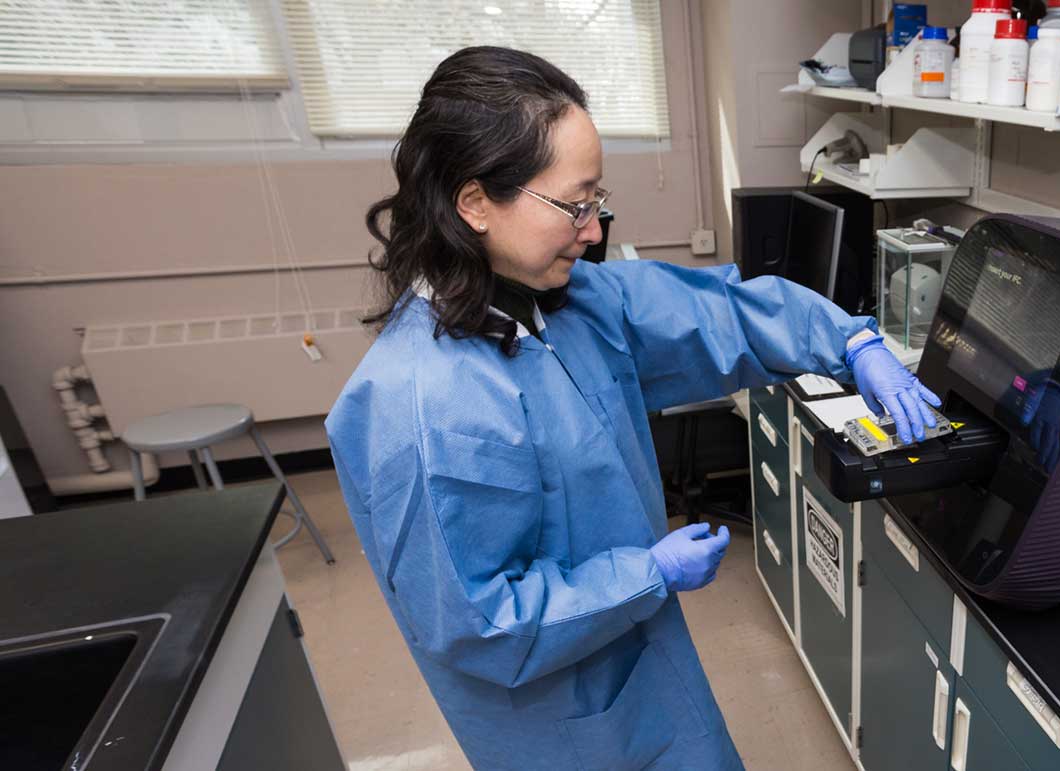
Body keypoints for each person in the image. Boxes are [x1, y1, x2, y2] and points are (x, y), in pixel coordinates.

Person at [325, 47, 940, 770]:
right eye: (574, 204)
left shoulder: (564, 300)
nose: (593, 230)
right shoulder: (419, 404)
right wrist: (646, 574)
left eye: (597, 201)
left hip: (638, 656)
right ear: (474, 202)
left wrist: (849, 339)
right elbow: (480, 622)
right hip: (561, 716)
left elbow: (711, 314)